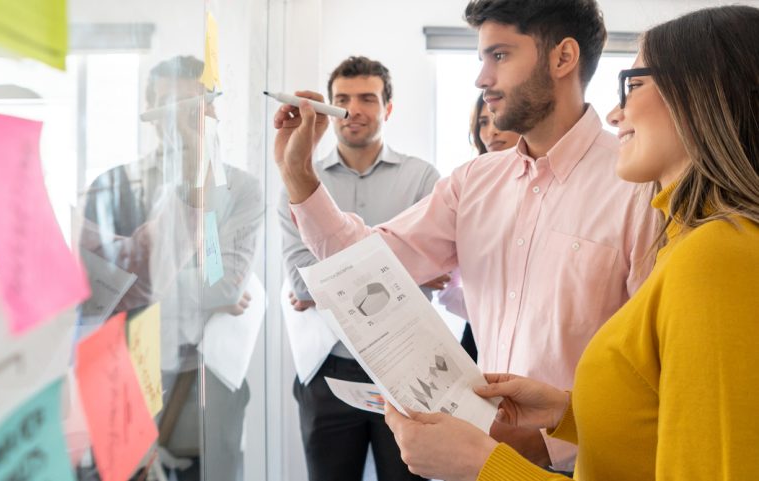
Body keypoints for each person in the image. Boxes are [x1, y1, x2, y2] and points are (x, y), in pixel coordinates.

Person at [272, 0, 659, 471]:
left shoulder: (637, 184)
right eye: (481, 59)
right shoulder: (473, 182)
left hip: (593, 465)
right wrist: (299, 176)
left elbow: (655, 373)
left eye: (499, 56)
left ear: (563, 58)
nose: (481, 79)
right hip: (479, 460)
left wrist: (546, 445)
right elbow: (365, 265)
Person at [384, 5, 759, 480]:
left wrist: (483, 466)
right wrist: (566, 413)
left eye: (635, 84)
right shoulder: (690, 243)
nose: (616, 110)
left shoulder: (718, 258)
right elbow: (670, 420)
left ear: (703, 97)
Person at [79, 55, 262, 481]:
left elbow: (226, 287)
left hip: (207, 378)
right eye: (168, 106)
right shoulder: (112, 186)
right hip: (126, 374)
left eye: (192, 105)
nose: (181, 119)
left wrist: (151, 282)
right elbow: (100, 293)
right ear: (148, 112)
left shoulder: (239, 189)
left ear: (212, 109)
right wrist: (198, 289)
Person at [279, 56, 443, 481]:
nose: (353, 109)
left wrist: (329, 282)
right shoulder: (296, 178)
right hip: (327, 370)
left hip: (408, 372)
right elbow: (301, 281)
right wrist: (399, 271)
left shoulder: (423, 178)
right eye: (342, 99)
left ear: (388, 108)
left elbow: (433, 268)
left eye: (368, 98)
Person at [440, 93, 522, 362]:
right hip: (479, 334)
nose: (491, 132)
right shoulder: (466, 189)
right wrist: (488, 313)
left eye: (499, 120)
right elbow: (448, 289)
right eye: (483, 122)